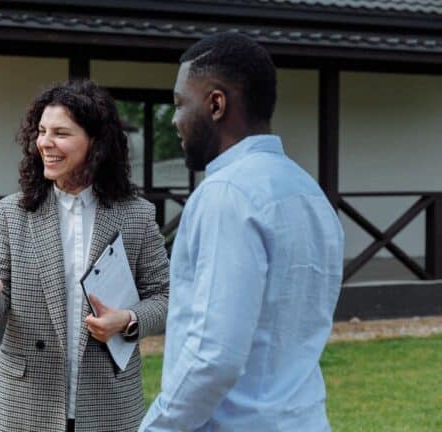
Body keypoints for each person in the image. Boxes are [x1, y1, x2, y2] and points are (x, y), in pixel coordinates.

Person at [140, 33, 345, 431]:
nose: (174, 120)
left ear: (216, 104)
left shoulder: (225, 194)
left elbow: (213, 357)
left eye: (181, 103)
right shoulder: (308, 191)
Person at [0, 80, 169, 432]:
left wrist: (126, 319)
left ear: (95, 142)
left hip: (110, 403)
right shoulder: (10, 213)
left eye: (61, 133)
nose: (45, 142)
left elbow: (166, 298)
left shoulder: (136, 215)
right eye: (42, 131)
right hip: (24, 404)